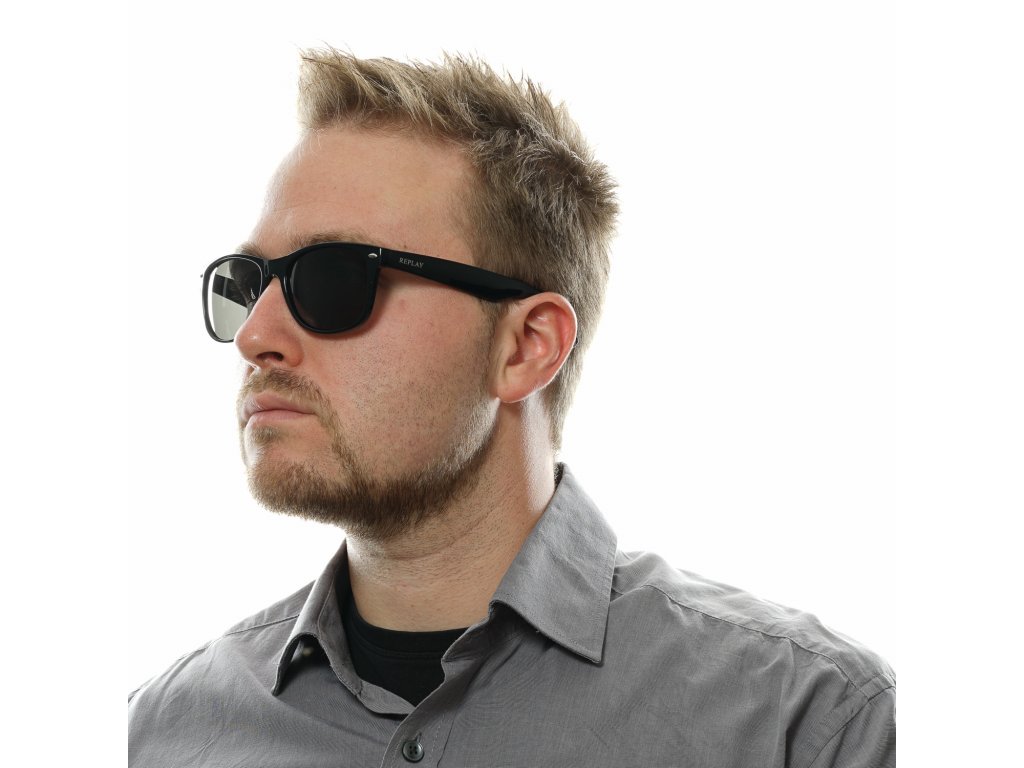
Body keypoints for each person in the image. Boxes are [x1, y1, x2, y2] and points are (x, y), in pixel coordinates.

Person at [128, 50, 895, 767]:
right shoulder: (157, 734)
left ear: (527, 346)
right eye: (247, 283)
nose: (254, 335)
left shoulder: (807, 724)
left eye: (333, 279)